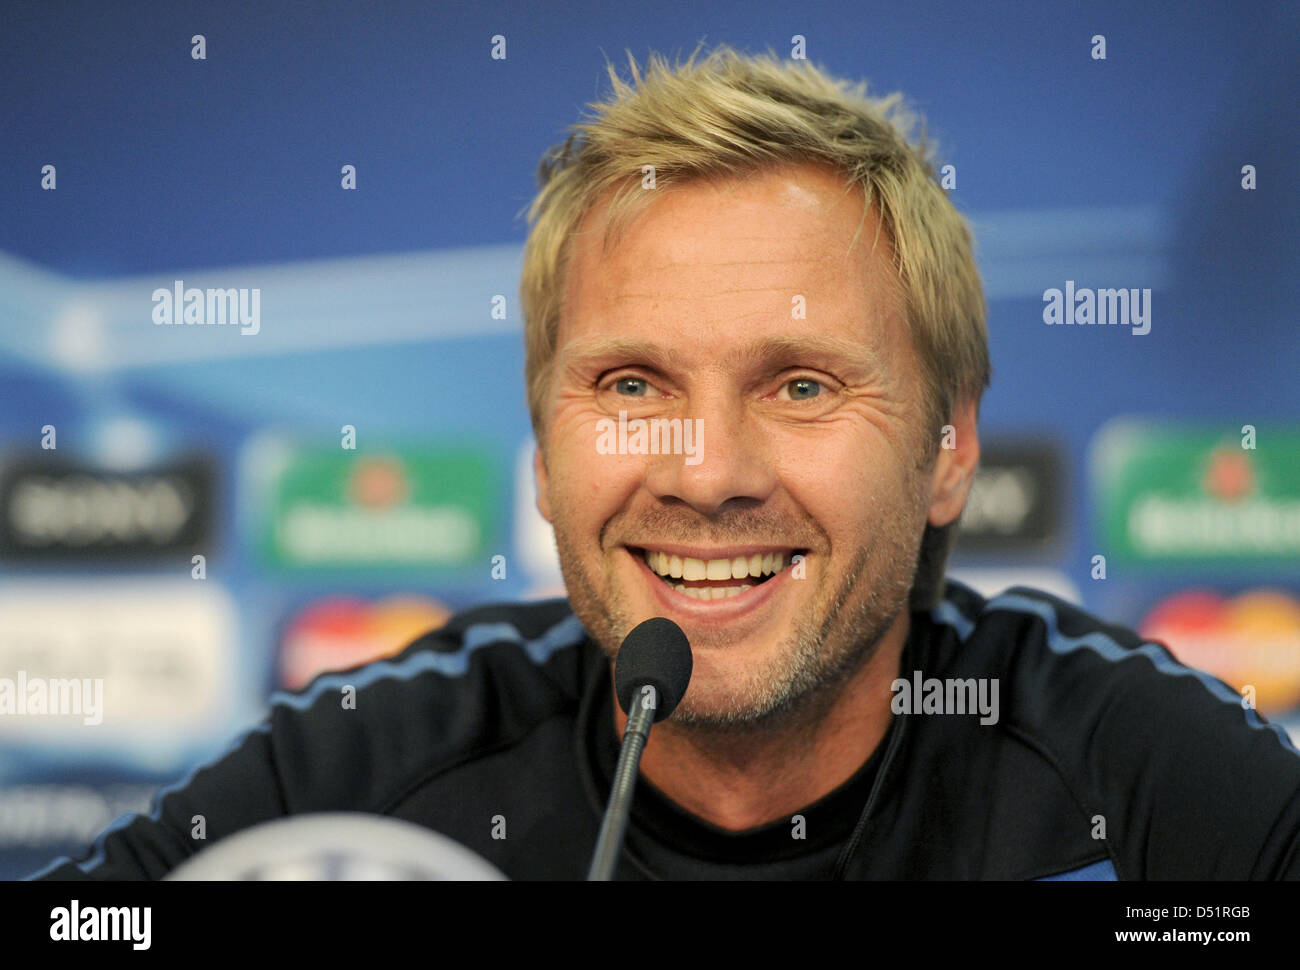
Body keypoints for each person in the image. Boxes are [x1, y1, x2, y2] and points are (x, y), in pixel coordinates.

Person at [32, 45, 1300, 881]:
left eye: (801, 385)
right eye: (631, 384)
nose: (706, 473)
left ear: (948, 449)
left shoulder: (1132, 771)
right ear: (540, 451)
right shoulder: (366, 774)